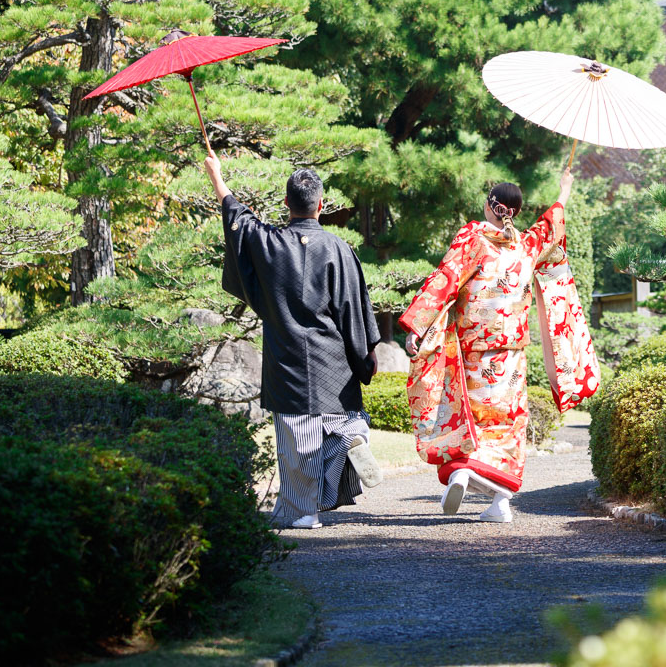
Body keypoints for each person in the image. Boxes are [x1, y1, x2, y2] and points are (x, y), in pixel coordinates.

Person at [400, 166, 598, 523]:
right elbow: (550, 226)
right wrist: (564, 189)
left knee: (468, 420)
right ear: (515, 212)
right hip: (511, 358)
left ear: (489, 206)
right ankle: (500, 503)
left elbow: (444, 279)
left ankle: (462, 472)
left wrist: (417, 325)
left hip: (473, 353)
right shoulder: (526, 245)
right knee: (507, 427)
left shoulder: (473, 238)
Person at [204, 154, 384, 530]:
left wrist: (216, 176)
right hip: (333, 361)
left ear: (286, 204)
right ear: (321, 204)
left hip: (287, 360)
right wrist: (367, 356)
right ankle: (350, 438)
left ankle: (304, 511)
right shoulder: (339, 249)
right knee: (338, 423)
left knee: (297, 438)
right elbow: (354, 306)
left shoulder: (269, 243)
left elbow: (238, 219)